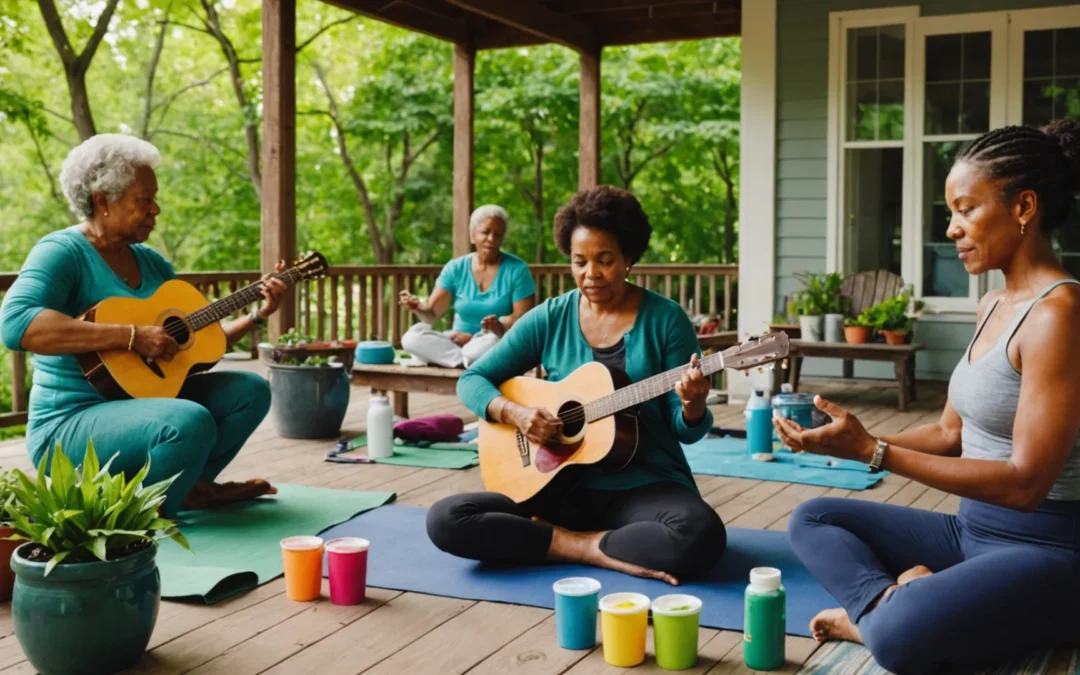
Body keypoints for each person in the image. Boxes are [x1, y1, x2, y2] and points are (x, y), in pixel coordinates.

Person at [779, 120, 1080, 674]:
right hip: (970, 531)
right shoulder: (992, 304)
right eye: (952, 213)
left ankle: (880, 614)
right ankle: (893, 600)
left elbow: (1026, 484)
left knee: (899, 640)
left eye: (966, 209)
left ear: (1024, 207)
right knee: (812, 518)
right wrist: (848, 440)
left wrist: (876, 453)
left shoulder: (1059, 313)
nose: (951, 229)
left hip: (1049, 550)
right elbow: (949, 433)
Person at [425, 186, 726, 584]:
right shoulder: (552, 316)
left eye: (605, 260)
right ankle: (585, 547)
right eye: (579, 261)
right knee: (445, 519)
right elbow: (473, 378)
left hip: (642, 485)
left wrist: (692, 405)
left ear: (629, 259)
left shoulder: (666, 320)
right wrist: (515, 412)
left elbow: (685, 429)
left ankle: (550, 542)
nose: (591, 274)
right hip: (554, 487)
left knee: (701, 536)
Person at [0, 134, 284, 517]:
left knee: (250, 389)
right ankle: (140, 517)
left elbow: (193, 345)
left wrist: (257, 316)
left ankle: (186, 488)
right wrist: (131, 336)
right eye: (144, 200)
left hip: (143, 410)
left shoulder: (151, 262)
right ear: (103, 200)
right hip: (68, 425)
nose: (156, 210)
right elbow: (16, 324)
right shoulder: (62, 252)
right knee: (187, 421)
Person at [399, 205, 535, 368]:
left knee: (490, 342)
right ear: (473, 235)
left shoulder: (518, 270)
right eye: (485, 232)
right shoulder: (455, 268)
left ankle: (461, 359)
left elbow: (524, 320)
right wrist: (418, 307)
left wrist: (498, 326)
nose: (491, 239)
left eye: (497, 235)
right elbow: (433, 314)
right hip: (457, 342)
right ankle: (466, 361)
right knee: (411, 337)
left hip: (493, 341)